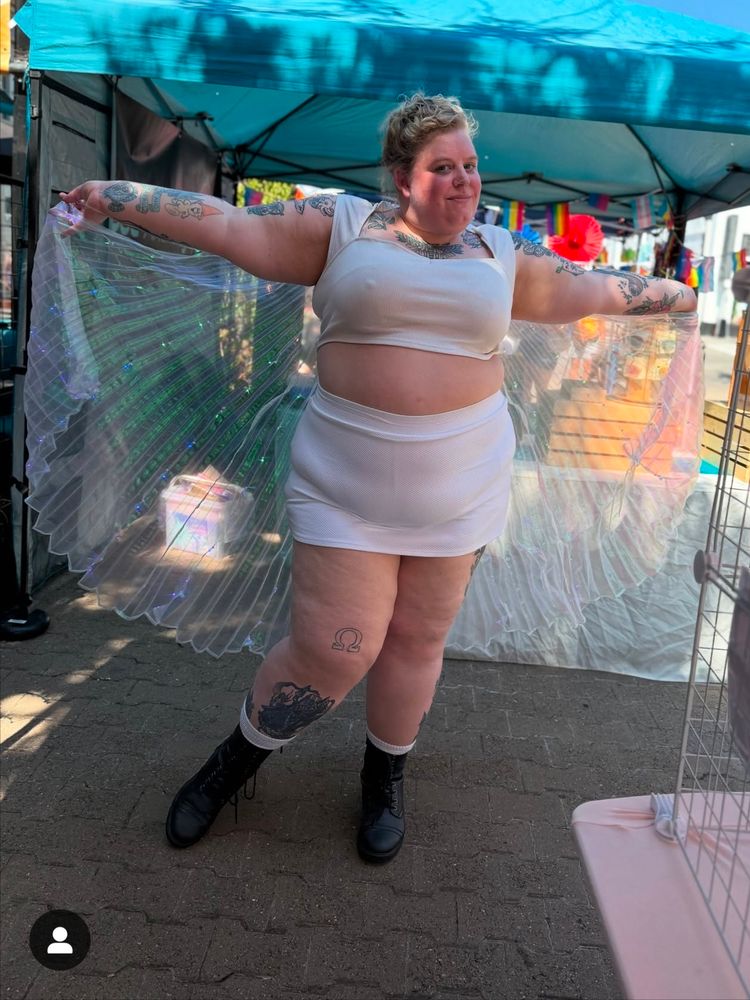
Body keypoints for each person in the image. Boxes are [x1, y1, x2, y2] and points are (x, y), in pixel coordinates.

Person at [61, 93, 697, 864]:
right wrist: (118, 195)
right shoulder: (340, 227)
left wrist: (677, 296)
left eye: (470, 166)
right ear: (401, 176)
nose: (464, 182)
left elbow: (594, 288)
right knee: (334, 648)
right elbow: (223, 224)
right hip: (346, 487)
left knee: (417, 641)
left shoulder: (503, 254)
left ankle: (384, 774)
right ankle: (238, 758)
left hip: (461, 489)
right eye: (442, 168)